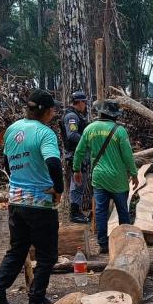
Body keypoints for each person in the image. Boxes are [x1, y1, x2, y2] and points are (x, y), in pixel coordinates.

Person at [0, 89, 63, 304]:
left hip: (16, 200)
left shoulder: (12, 129)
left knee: (17, 250)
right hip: (39, 202)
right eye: (53, 110)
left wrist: (19, 181)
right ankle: (36, 300)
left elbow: (7, 163)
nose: (54, 113)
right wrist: (58, 189)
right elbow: (54, 164)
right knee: (47, 255)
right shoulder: (45, 133)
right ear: (47, 112)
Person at [73, 99, 139, 254]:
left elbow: (79, 151)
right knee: (123, 210)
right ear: (114, 115)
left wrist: (76, 169)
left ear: (101, 113)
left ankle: (103, 244)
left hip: (99, 178)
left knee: (101, 211)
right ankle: (126, 241)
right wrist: (134, 173)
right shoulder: (120, 131)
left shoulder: (90, 129)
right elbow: (128, 155)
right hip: (118, 179)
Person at [61, 90, 90, 223]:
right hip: (75, 155)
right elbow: (72, 135)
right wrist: (88, 141)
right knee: (77, 184)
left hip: (79, 154)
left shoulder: (77, 115)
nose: (85, 105)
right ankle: (74, 213)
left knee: (79, 183)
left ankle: (77, 211)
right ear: (78, 102)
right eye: (84, 102)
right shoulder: (71, 116)